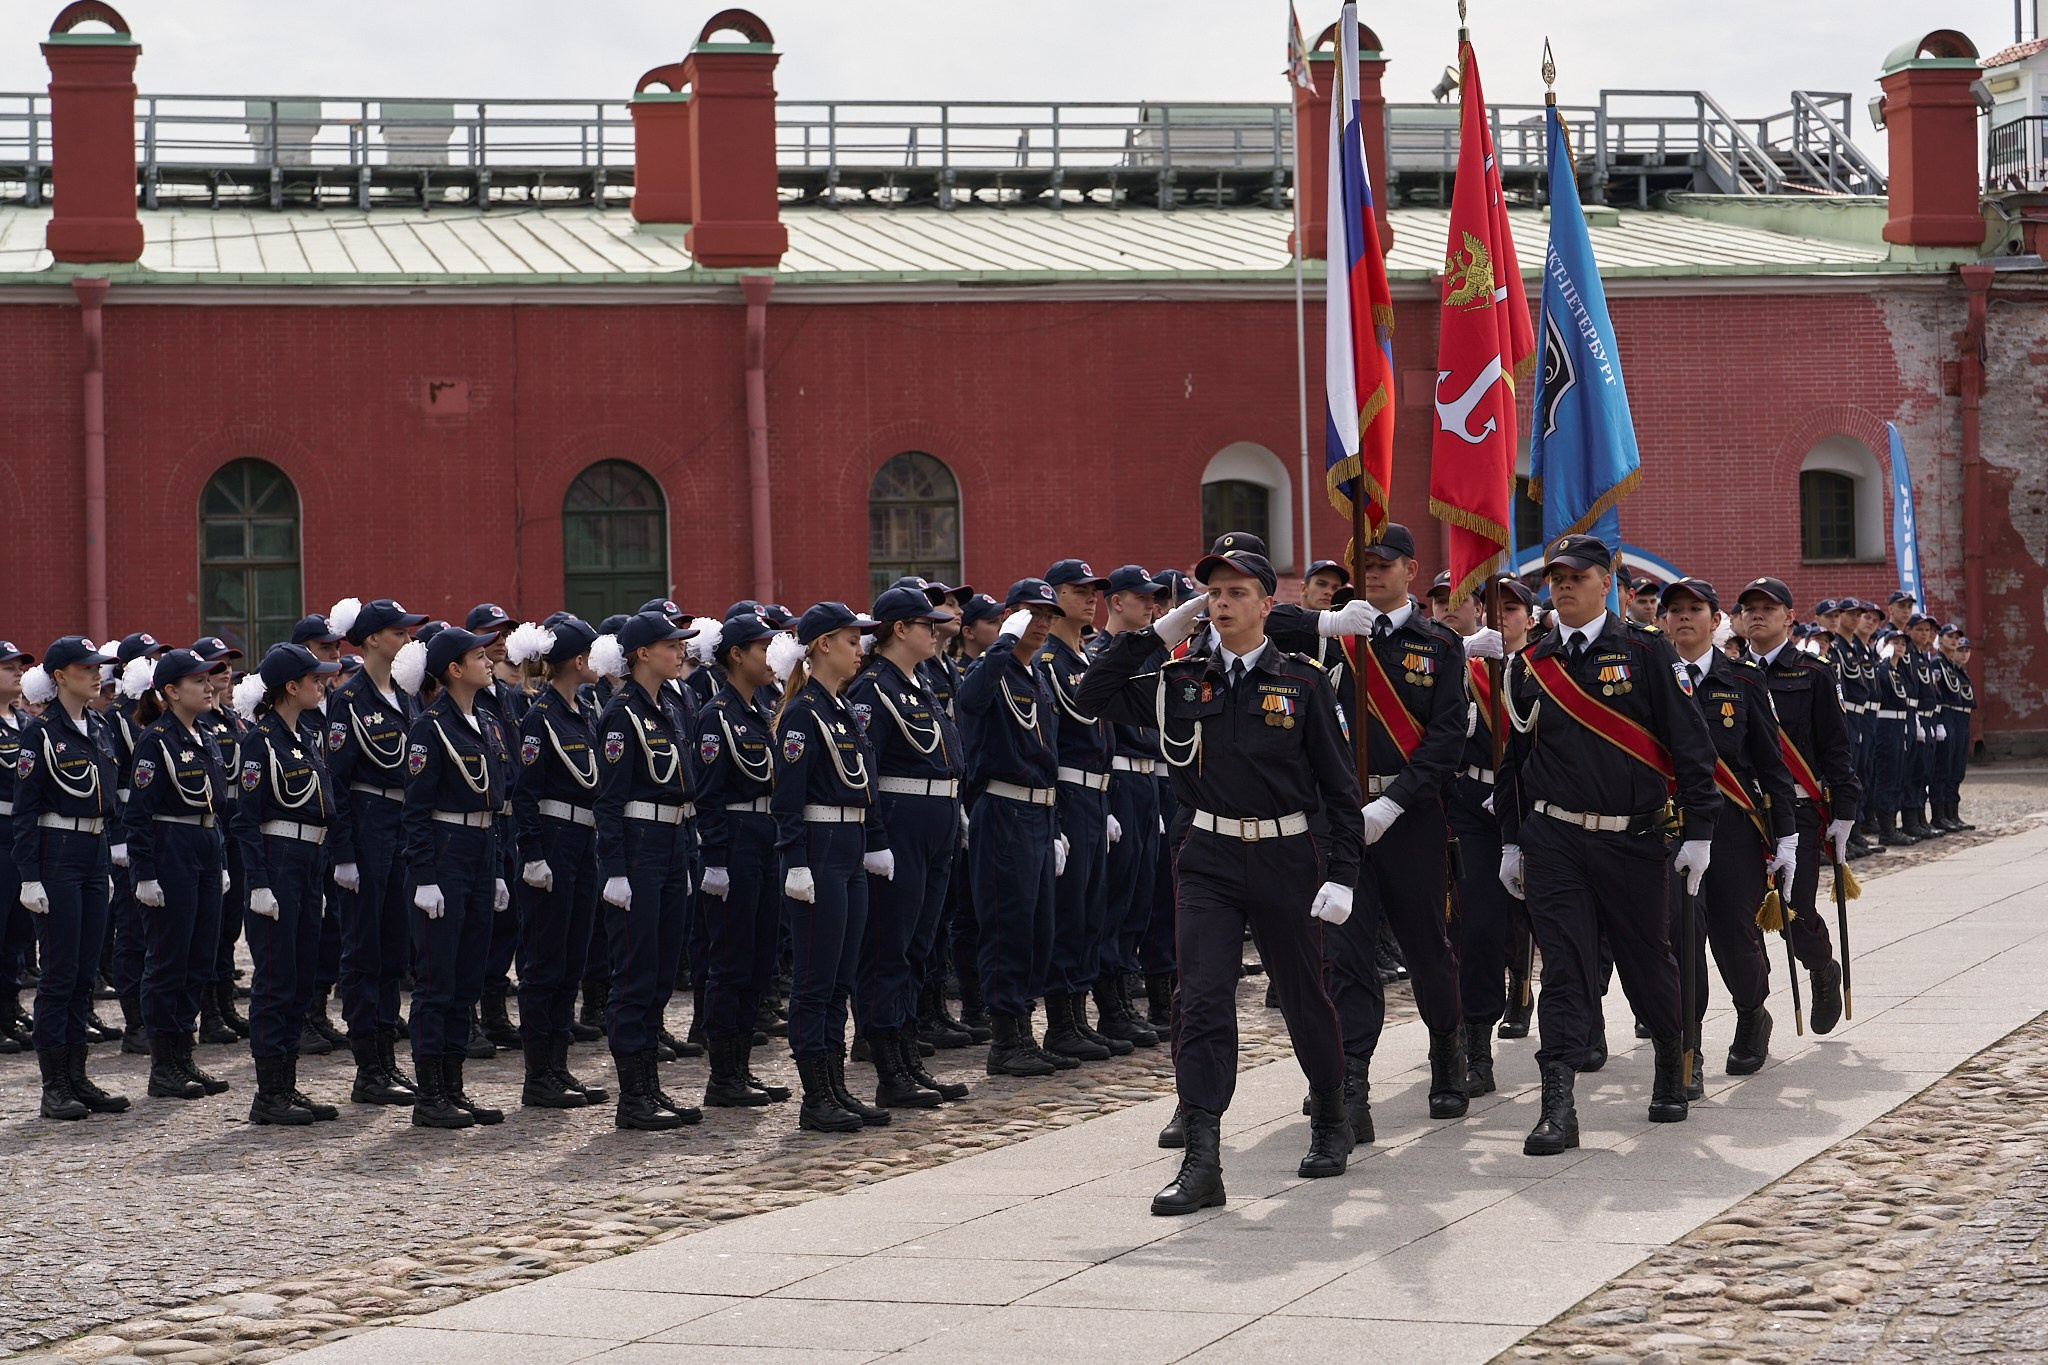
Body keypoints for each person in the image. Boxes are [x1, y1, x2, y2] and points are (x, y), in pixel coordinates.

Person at [1079, 545, 1361, 1214]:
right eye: (1213, 591)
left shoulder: (1304, 681)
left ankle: (1330, 1113)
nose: (1222, 601)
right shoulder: (1180, 680)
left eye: (1237, 591)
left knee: (1302, 995)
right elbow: (1093, 697)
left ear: (1269, 604)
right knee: (1201, 997)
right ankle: (1202, 1157)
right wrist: (1157, 634)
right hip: (1207, 854)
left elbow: (1340, 790)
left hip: (1287, 855)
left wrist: (1345, 875)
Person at [1495, 535, 1720, 1156]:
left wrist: (1699, 832)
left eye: (1576, 575)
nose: (1562, 585)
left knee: (1649, 961)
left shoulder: (1648, 652)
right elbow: (1516, 761)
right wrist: (1512, 843)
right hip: (1555, 840)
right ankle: (1557, 1106)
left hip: (1632, 839)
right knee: (1564, 969)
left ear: (1607, 579)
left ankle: (1671, 1066)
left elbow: (1692, 747)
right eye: (1554, 577)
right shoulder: (1532, 661)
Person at [1327, 525, 1473, 1134]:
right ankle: (1352, 1074)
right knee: (1348, 951)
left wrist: (1393, 805)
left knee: (1425, 946)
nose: (1371, 573)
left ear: (1410, 571)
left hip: (1409, 817)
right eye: (1362, 563)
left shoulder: (1439, 645)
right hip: (1341, 816)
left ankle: (1446, 1051)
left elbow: (1445, 740)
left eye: (1384, 564)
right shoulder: (1331, 639)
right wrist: (1327, 626)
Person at [1655, 579, 1796, 1085]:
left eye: (1696, 608)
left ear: (1717, 620)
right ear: (1663, 620)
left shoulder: (1744, 680)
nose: (1684, 617)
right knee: (1679, 937)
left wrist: (1787, 837)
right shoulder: (1650, 678)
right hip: (1669, 827)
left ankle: (1752, 1015)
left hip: (1732, 827)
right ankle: (1686, 1050)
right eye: (1674, 610)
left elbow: (1772, 765)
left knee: (1733, 935)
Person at [845, 587, 970, 1109]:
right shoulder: (873, 689)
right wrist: (875, 838)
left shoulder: (917, 685)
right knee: (888, 947)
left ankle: (908, 1052)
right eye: (927, 624)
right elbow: (865, 772)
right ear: (900, 629)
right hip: (899, 819)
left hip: (935, 816)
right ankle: (889, 1064)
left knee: (920, 944)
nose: (937, 630)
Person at [771, 602, 892, 1132]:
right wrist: (796, 863)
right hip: (819, 847)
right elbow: (786, 799)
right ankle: (814, 1095)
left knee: (842, 977)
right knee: (815, 980)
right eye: (849, 641)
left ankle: (837, 1086)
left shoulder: (840, 709)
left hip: (849, 844)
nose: (859, 649)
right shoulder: (802, 713)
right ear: (822, 645)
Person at [397, 625, 514, 1129]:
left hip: (479, 850)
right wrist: (424, 876)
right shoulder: (430, 727)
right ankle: (430, 1095)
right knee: (437, 980)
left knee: (467, 977)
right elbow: (416, 810)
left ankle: (454, 1086)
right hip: (443, 854)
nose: (488, 662)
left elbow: (495, 801)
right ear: (452, 669)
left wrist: (500, 870)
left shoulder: (485, 722)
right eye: (478, 656)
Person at [594, 610, 703, 1131]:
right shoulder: (623, 714)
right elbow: (608, 800)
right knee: (634, 973)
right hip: (637, 848)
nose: (680, 651)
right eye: (670, 644)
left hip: (670, 843)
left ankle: (651, 1088)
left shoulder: (670, 709)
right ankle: (632, 1095)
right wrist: (614, 868)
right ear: (642, 653)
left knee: (660, 972)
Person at [230, 643, 346, 1126]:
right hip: (277, 864)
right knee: (276, 981)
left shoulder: (301, 738)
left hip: (306, 863)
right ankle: (269, 1094)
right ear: (290, 688)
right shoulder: (260, 741)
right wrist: (258, 883)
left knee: (299, 979)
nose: (323, 685)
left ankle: (288, 1086)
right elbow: (245, 820)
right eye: (314, 679)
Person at [954, 580, 1066, 1079]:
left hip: (1039, 813)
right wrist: (1002, 642)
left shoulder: (1031, 675)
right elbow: (970, 701)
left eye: (1047, 615)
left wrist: (1056, 822)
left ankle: (1023, 1031)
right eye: (1031, 614)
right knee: (1007, 925)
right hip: (1004, 811)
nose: (1042, 624)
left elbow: (1047, 755)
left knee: (1039, 928)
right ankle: (1004, 1039)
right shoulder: (991, 668)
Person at [1736, 577, 1858, 1035]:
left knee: (1796, 911)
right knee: (1743, 912)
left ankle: (1823, 970)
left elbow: (1836, 748)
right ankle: (1754, 1008)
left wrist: (1845, 809)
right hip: (1745, 813)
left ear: (1789, 615)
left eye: (1768, 607)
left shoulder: (1814, 672)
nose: (1757, 614)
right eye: (1748, 607)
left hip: (1800, 810)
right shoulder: (1727, 674)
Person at [17, 637, 128, 1120]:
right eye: (85, 668)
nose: (96, 674)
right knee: (60, 975)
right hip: (56, 852)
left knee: (84, 973)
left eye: (98, 667)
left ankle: (78, 1077)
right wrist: (29, 876)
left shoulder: (99, 725)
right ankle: (54, 1084)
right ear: (60, 676)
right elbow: (25, 810)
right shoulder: (41, 733)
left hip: (93, 850)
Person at [324, 598, 428, 1105]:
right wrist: (342, 851)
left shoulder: (407, 697)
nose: (407, 639)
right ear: (370, 641)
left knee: (394, 953)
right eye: (397, 632)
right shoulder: (348, 701)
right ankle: (368, 1068)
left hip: (402, 827)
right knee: (364, 950)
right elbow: (336, 784)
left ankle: (388, 1059)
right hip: (366, 828)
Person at [505, 616, 610, 1111]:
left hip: (582, 838)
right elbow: (524, 793)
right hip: (552, 837)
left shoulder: (583, 709)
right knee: (544, 962)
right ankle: (537, 1075)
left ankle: (558, 1065)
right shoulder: (539, 715)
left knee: (571, 959)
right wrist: (532, 853)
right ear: (577, 660)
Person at [123, 647, 235, 1101]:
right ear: (170, 692)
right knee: (168, 959)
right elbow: (138, 815)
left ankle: (184, 1056)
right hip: (171, 849)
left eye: (209, 679)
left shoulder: (204, 733)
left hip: (205, 847)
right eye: (197, 681)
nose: (209, 686)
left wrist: (222, 860)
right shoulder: (156, 740)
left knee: (199, 958)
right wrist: (144, 873)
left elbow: (215, 804)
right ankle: (163, 1063)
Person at [692, 612, 793, 1109]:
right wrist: (714, 858)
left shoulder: (768, 708)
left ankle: (742, 1069)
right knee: (730, 962)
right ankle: (723, 1076)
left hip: (765, 836)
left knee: (758, 960)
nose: (771, 658)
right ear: (736, 655)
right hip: (732, 840)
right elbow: (707, 795)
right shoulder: (716, 716)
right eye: (762, 648)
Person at [1034, 559, 1130, 1062]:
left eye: (1094, 590)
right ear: (1053, 596)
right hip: (1070, 792)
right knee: (1070, 909)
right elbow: (1069, 727)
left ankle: (1080, 1015)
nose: (1090, 598)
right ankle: (1060, 1022)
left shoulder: (1087, 658)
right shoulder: (1051, 662)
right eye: (1078, 590)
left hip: (1097, 792)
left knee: (1094, 908)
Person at [1091, 566, 1166, 1050]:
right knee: (1113, 900)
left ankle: (1124, 999)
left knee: (1140, 898)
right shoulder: (1101, 655)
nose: (1152, 607)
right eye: (1142, 599)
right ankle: (1110, 1005)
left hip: (1147, 780)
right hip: (1116, 776)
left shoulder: (1151, 655)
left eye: (1156, 600)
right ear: (1116, 602)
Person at [0, 643, 35, 1056]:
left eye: (19, 667)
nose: (16, 673)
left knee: (18, 934)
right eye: (7, 667)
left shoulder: (26, 724)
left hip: (24, 835)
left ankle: (8, 1012)